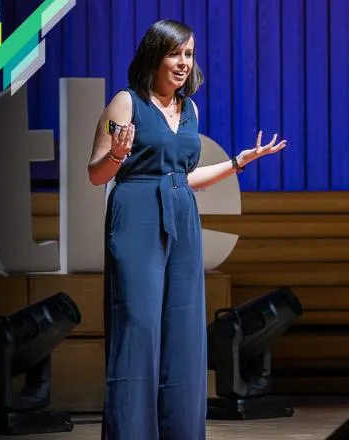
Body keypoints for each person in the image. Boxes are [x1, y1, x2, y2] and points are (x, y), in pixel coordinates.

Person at [87, 19, 287, 440]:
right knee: (139, 325)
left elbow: (184, 176)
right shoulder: (126, 103)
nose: (183, 63)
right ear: (155, 55)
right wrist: (119, 156)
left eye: (189, 54)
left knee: (183, 328)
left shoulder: (189, 109)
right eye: (175, 53)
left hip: (181, 211)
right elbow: (95, 173)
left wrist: (237, 162)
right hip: (136, 210)